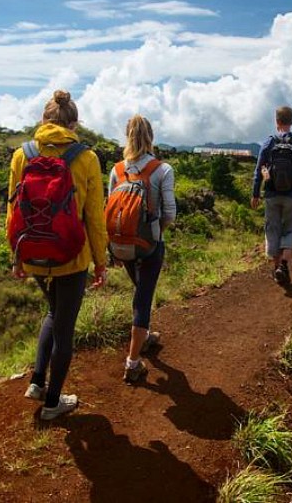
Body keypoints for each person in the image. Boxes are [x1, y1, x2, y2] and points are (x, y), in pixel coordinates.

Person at [7, 89, 107, 420]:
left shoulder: (22, 154)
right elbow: (95, 216)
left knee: (53, 311)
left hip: (33, 252)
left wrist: (16, 257)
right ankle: (53, 404)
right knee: (65, 327)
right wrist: (101, 262)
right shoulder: (87, 158)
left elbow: (11, 212)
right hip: (72, 256)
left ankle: (37, 382)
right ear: (74, 124)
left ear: (44, 120)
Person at [108, 115, 176, 384]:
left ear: (127, 136)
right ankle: (133, 362)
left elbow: (109, 209)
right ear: (151, 137)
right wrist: (156, 232)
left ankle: (145, 336)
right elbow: (169, 213)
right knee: (143, 298)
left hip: (121, 245)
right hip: (149, 246)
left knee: (140, 290)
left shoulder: (116, 170)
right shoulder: (162, 169)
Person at [251, 106, 292, 285]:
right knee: (289, 229)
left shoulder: (268, 143)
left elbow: (258, 170)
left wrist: (256, 193)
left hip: (271, 193)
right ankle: (283, 265)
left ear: (276, 121)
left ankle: (277, 268)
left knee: (273, 229)